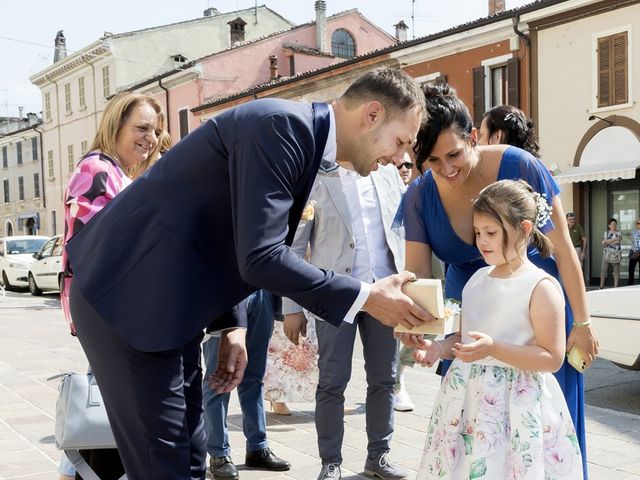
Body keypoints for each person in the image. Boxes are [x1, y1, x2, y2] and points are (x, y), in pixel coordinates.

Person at [63, 68, 430, 479]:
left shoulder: (301, 138)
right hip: (127, 300)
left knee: (188, 458)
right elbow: (262, 255)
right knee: (162, 465)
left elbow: (235, 238)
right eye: (402, 141)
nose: (401, 158)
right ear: (373, 114)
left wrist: (231, 328)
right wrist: (367, 296)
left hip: (171, 305)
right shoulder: (284, 126)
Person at [398, 84, 597, 479]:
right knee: (478, 438)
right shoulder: (420, 196)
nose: (447, 168)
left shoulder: (520, 166)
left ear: (473, 137)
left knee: (539, 440)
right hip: (471, 314)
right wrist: (418, 326)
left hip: (533, 307)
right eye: (433, 161)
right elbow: (418, 277)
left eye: (453, 154)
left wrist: (584, 323)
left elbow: (563, 250)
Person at [414, 179, 583, 479]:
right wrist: (438, 349)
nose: (482, 241)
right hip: (468, 402)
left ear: (525, 229)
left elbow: (551, 357)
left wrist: (494, 349)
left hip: (516, 405)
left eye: (491, 232)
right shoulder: (477, 279)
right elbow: (463, 338)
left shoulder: (541, 287)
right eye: (478, 232)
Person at [58, 92, 166, 480]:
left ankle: (75, 471)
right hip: (107, 310)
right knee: (109, 407)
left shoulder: (117, 171)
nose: (150, 138)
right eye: (140, 127)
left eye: (154, 130)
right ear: (115, 125)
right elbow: (96, 246)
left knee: (105, 405)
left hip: (109, 308)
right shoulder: (97, 169)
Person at [282, 161, 408, 480]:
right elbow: (295, 248)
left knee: (384, 378)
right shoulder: (316, 178)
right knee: (332, 381)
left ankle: (378, 456)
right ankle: (331, 462)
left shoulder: (388, 174)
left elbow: (404, 232)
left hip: (384, 292)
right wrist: (292, 307)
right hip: (337, 294)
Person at [202, 291, 290, 479]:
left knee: (254, 378)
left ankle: (258, 448)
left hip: (262, 292)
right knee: (219, 379)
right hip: (226, 296)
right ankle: (219, 453)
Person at [600, 218, 622, 289]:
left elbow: (618, 241)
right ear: (609, 225)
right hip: (607, 253)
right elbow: (603, 242)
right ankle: (601, 286)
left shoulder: (619, 232)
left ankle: (615, 286)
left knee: (616, 270)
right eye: (612, 224)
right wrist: (614, 239)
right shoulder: (606, 232)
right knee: (603, 269)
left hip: (616, 253)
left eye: (615, 224)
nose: (614, 225)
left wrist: (608, 241)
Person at [629, 219, 640, 285]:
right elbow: (633, 240)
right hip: (634, 251)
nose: (638, 224)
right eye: (637, 223)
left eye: (639, 223)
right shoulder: (633, 231)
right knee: (631, 269)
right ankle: (630, 284)